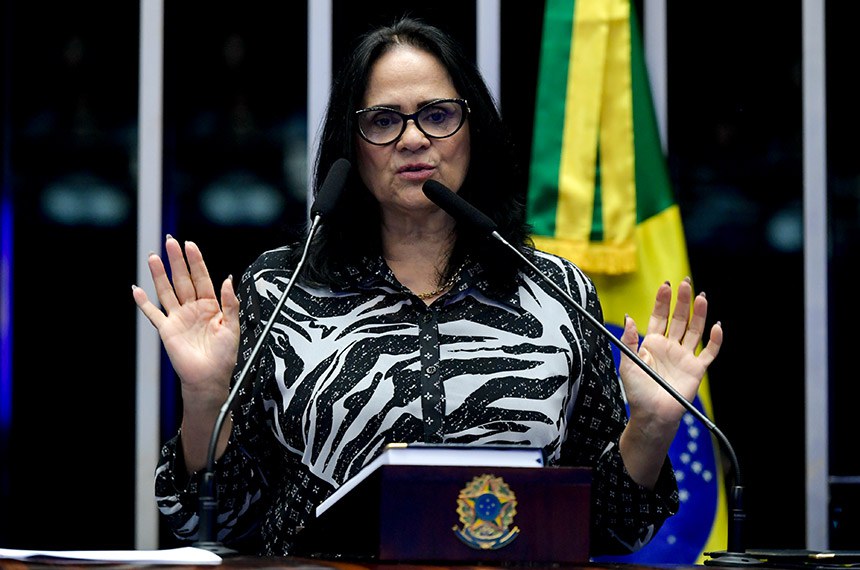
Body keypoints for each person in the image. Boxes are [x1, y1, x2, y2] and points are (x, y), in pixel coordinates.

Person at [132, 15, 722, 558]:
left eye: (437, 115)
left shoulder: (556, 291)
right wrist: (207, 397)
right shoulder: (281, 289)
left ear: (474, 131)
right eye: (384, 121)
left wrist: (650, 427)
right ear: (351, 147)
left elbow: (607, 529)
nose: (413, 139)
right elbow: (215, 522)